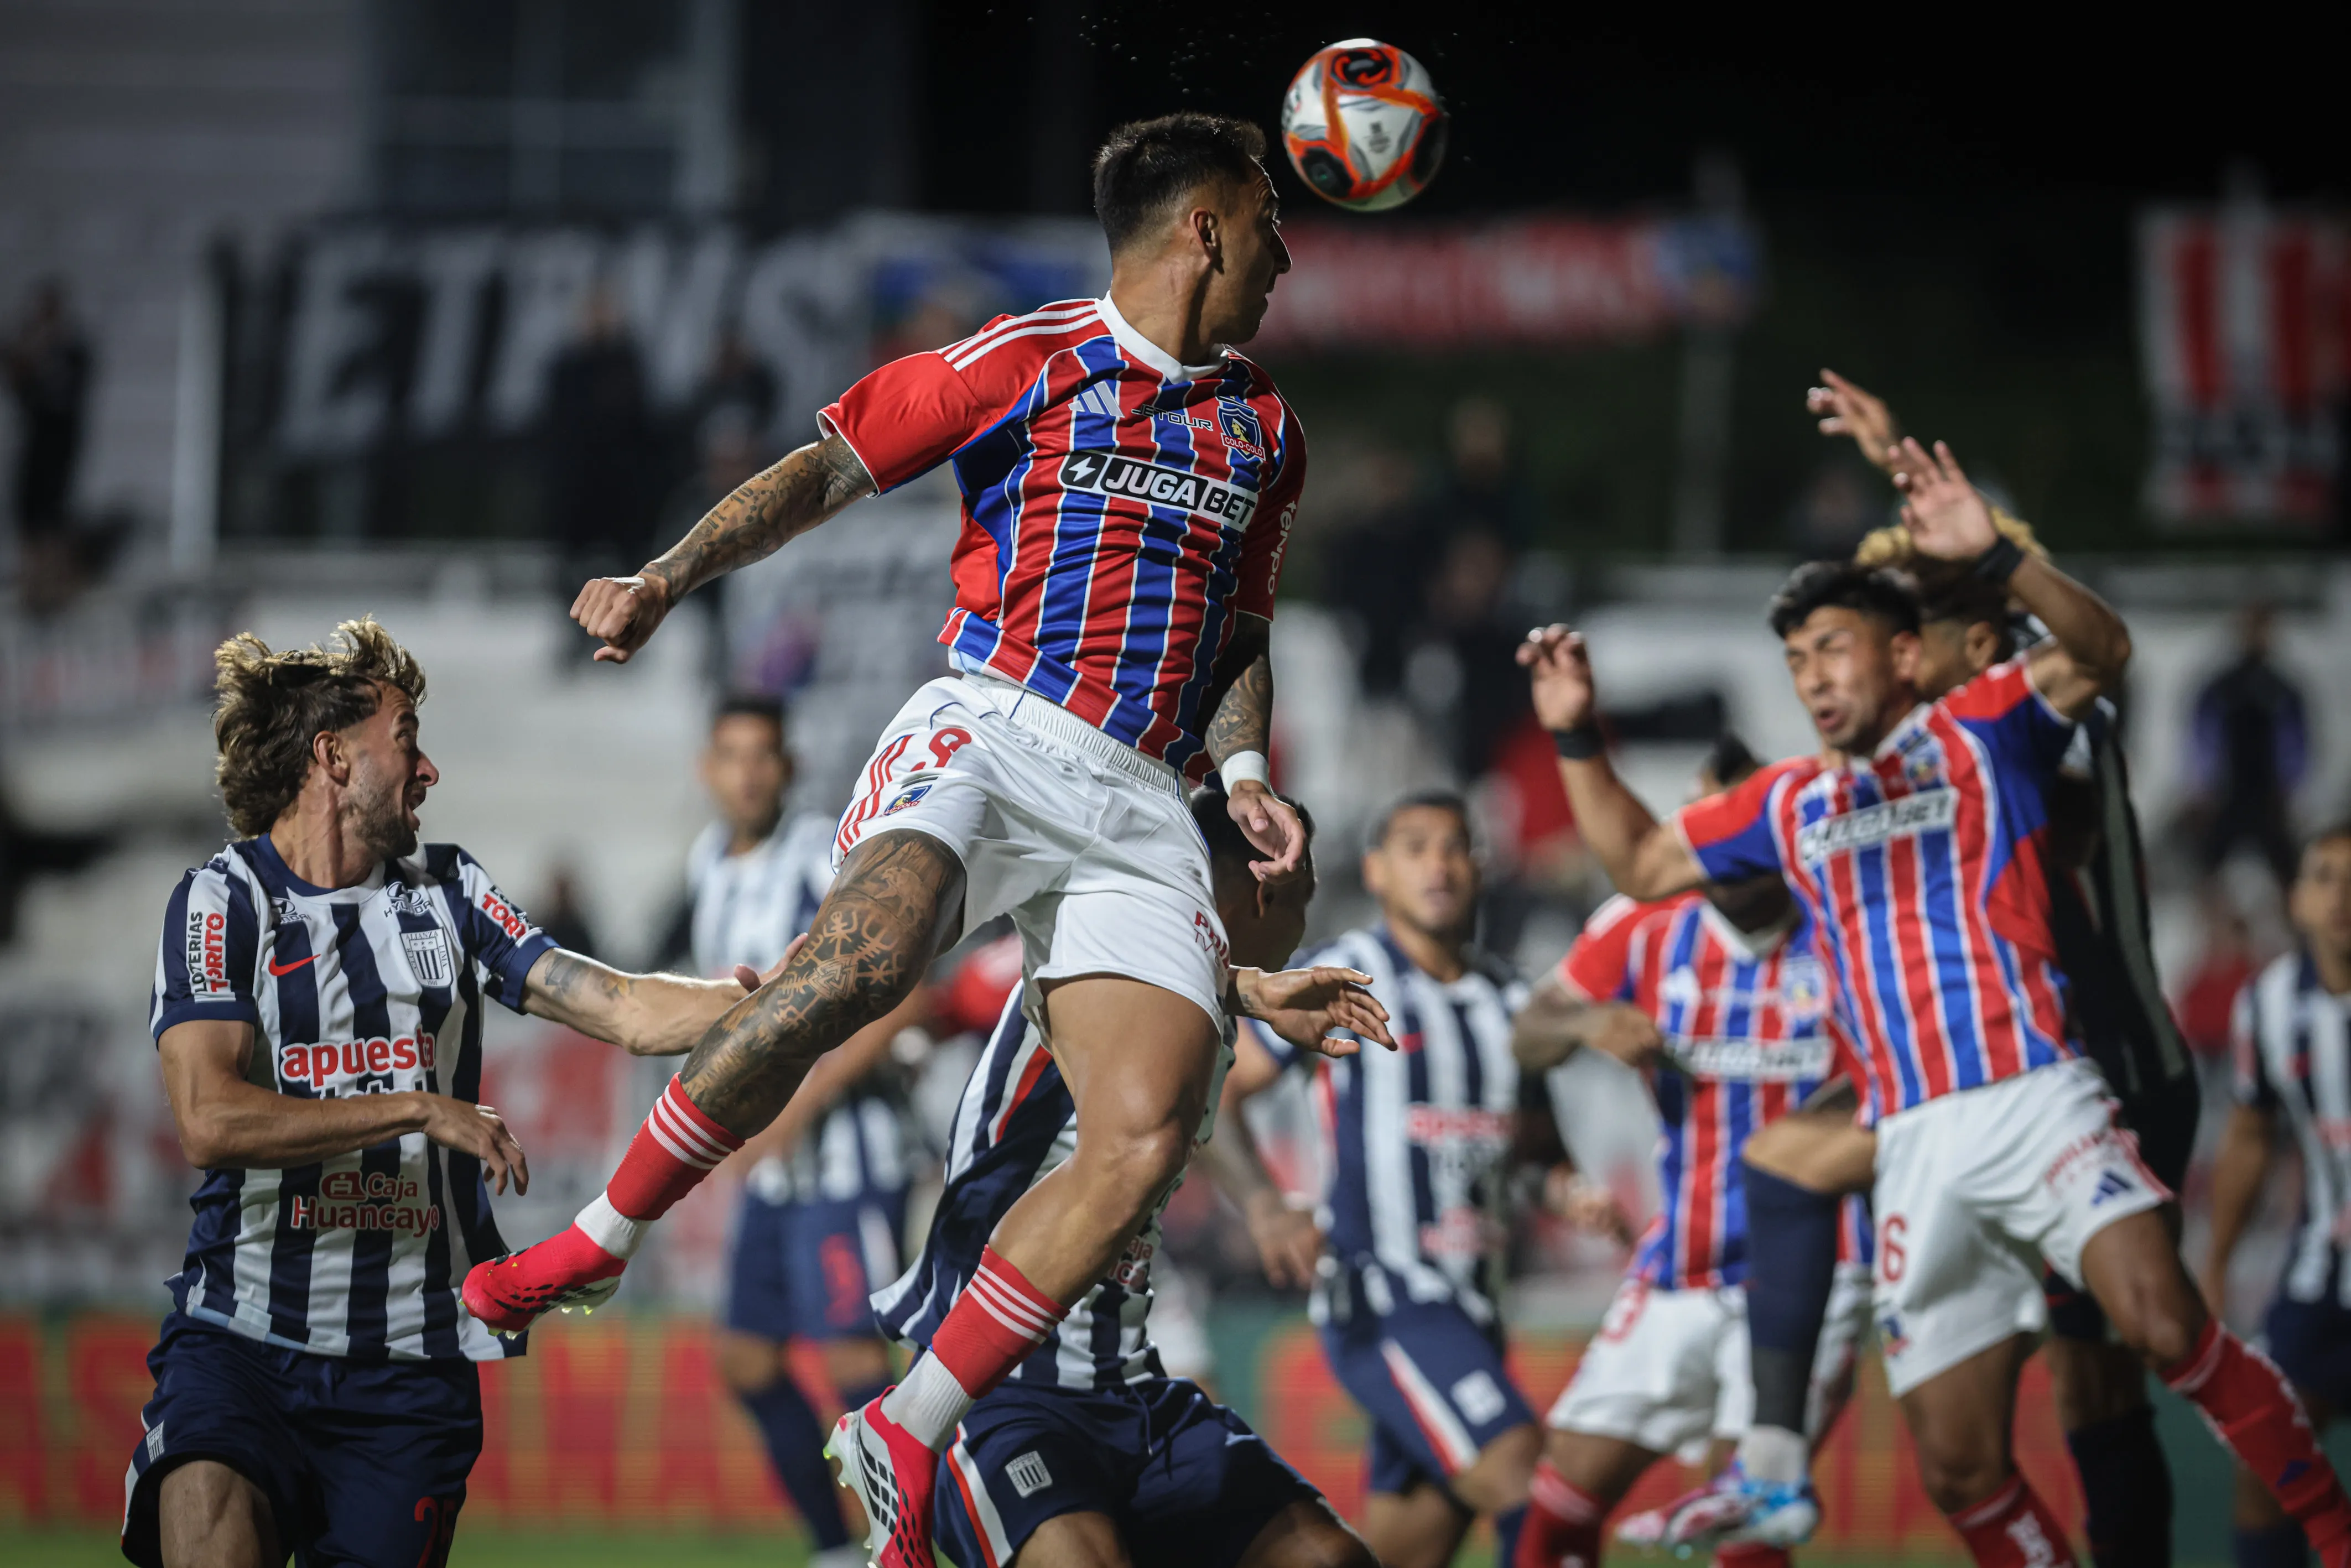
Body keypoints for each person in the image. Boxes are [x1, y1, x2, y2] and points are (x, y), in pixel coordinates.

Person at [466, 114, 1393, 1568]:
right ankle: (595, 1237)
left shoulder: (1263, 427)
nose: (1288, 253)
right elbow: (819, 470)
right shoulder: (1025, 359)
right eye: (1270, 221)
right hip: (994, 727)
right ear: (1203, 226)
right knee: (861, 963)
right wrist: (666, 573)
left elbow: (1243, 626)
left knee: (1146, 1133)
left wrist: (1251, 764)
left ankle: (908, 1421)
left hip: (1143, 798)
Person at [1518, 434, 2351, 1566]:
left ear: (1908, 657)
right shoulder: (1788, 798)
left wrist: (1999, 553)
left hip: (2035, 1097)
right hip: (1911, 1144)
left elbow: (2104, 648)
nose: (1811, 677)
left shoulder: (1982, 729)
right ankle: (1772, 1468)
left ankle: (2333, 1534)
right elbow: (1640, 866)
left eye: (1834, 649)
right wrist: (1574, 730)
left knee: (2162, 1329)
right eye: (1797, 658)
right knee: (1958, 1463)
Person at [1665, 373, 2198, 1564]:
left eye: (1903, 620)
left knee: (2098, 1393)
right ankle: (1773, 1458)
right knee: (2048, 1400)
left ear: (1969, 634)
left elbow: (2038, 626)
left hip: (2092, 1058)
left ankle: (1772, 1463)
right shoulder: (1936, 739)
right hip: (1983, 1066)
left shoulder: (2020, 723)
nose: (1874, 654)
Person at [123, 620, 785, 1568]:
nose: (428, 770)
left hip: (410, 1369)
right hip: (241, 1343)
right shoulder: (221, 903)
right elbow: (209, 1119)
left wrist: (770, 998)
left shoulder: (449, 893)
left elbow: (626, 1009)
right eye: (406, 739)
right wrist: (418, 1105)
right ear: (334, 759)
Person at [875, 786, 1374, 1568]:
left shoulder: (1194, 1000)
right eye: (1302, 900)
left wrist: (1264, 1201)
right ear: (1266, 888)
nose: (1303, 929)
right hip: (996, 1394)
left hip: (1129, 1388)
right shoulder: (1114, 945)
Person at [1510, 737, 1873, 1568]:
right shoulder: (1644, 924)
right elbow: (1527, 1033)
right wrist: (1584, 1023)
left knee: (1742, 1516)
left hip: (1814, 1266)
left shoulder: (1844, 924)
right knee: (1557, 1501)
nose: (1726, 848)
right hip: (1681, 1257)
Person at [1222, 791, 1541, 1568]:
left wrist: (1570, 1187)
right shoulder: (1344, 976)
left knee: (1402, 1551)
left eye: (1454, 845)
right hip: (1384, 1293)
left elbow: (1541, 1139)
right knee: (1533, 1487)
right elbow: (1217, 1083)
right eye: (1414, 845)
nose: (1437, 862)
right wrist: (1264, 1202)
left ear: (1479, 866)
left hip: (1474, 1308)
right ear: (1377, 871)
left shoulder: (1510, 1000)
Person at [689, 694, 915, 1568]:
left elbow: (907, 994)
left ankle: (913, 1545)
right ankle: (832, 1548)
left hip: (847, 1160)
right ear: (708, 769)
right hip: (776, 1173)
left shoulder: (827, 853)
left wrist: (799, 1106)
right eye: (731, 753)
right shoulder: (707, 862)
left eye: (763, 754)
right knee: (747, 1357)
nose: (747, 771)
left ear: (786, 766)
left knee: (858, 1364)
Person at [2204, 824, 2351, 1568]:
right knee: (2266, 1467)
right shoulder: (2265, 1003)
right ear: (2295, 898)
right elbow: (2249, 1137)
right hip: (2316, 1278)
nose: (2342, 896)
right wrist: (2216, 1263)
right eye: (2324, 876)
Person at [2187, 603, 2308, 892]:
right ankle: (2212, 933)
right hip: (2227, 792)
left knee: (2289, 874)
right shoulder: (2221, 687)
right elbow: (2202, 737)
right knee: (2207, 871)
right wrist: (2203, 787)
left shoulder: (2282, 689)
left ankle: (2297, 932)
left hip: (2268, 795)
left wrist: (2290, 787)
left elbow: (2296, 742)